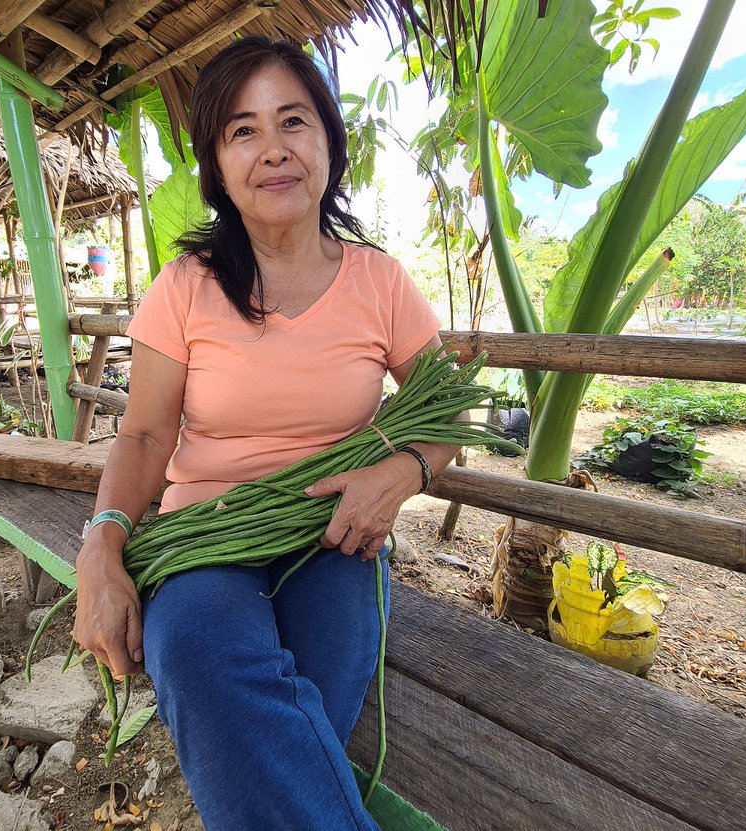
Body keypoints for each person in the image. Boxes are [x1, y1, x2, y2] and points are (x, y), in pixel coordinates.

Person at [72, 36, 461, 830]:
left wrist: (403, 473)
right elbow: (145, 438)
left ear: (328, 141)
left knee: (301, 699)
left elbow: (444, 407)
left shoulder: (380, 281)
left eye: (293, 120)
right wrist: (102, 542)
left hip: (333, 539)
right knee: (198, 655)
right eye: (243, 130)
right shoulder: (184, 288)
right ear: (217, 165)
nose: (273, 148)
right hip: (205, 537)